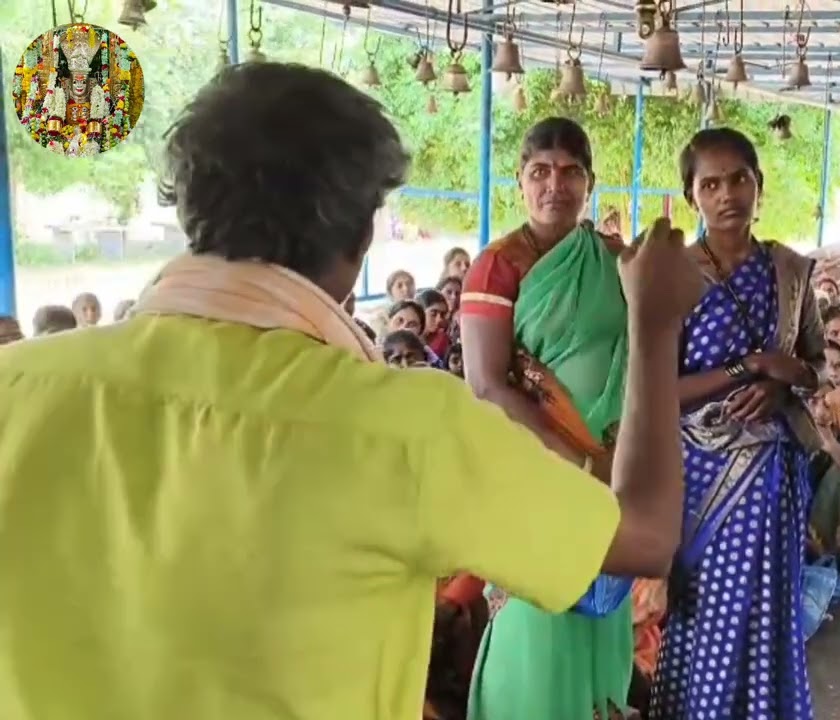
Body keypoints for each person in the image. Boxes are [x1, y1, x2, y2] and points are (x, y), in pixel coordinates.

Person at [0, 63, 706, 720]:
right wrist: (652, 325)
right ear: (363, 233)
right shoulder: (409, 430)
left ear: (188, 205)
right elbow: (644, 537)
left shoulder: (16, 386)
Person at [461, 117, 639, 720]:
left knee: (602, 612)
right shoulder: (497, 266)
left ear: (590, 183)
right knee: (539, 619)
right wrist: (577, 462)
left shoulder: (616, 262)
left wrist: (610, 462)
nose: (554, 186)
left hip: (612, 471)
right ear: (519, 181)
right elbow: (487, 384)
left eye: (570, 173)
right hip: (537, 474)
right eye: (540, 172)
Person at [650, 127, 824, 720]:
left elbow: (815, 367)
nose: (728, 194)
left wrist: (779, 385)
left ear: (759, 185)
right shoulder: (669, 273)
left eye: (739, 179)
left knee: (766, 610)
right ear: (691, 195)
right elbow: (658, 390)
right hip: (698, 476)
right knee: (704, 612)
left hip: (775, 477)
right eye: (711, 183)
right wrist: (747, 366)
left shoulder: (791, 272)